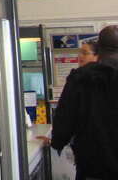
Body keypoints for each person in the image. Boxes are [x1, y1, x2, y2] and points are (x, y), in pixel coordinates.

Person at [48, 25, 118, 180]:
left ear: (99, 48)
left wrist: (57, 141)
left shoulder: (80, 78)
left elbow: (64, 119)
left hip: (94, 166)